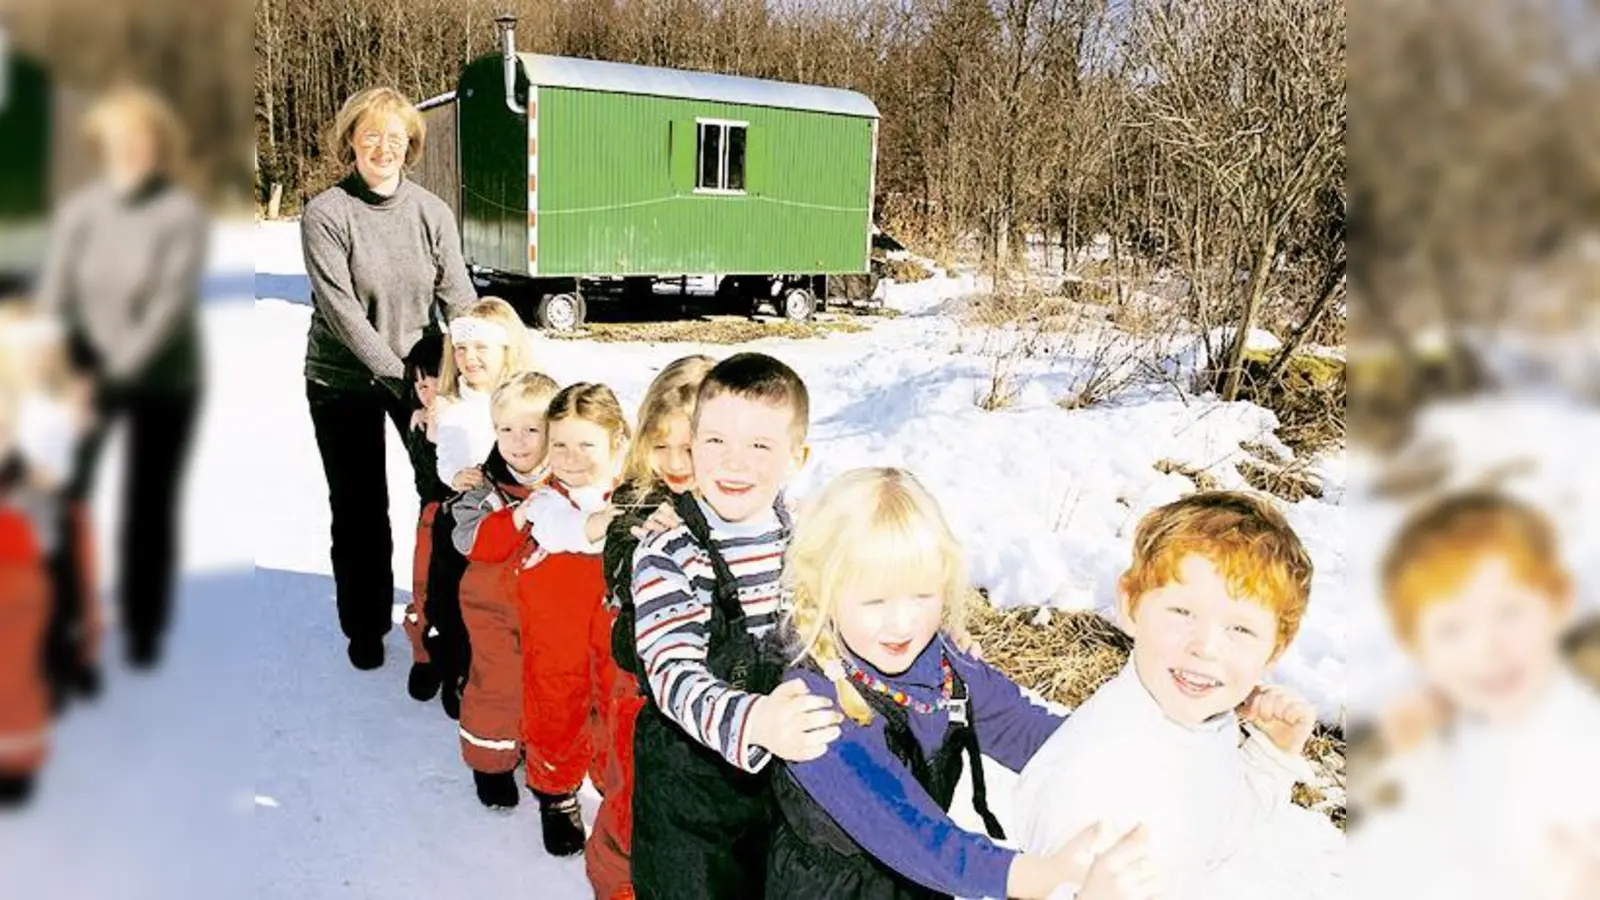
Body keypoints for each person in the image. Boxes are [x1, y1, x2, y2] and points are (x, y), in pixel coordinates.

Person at [766, 466, 1150, 900]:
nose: (902, 622)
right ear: (824, 594)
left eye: (922, 595)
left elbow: (1021, 728)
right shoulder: (813, 706)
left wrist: (1117, 761)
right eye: (874, 600)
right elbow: (905, 827)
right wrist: (1028, 876)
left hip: (920, 881)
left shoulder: (943, 664)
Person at [1013, 491, 1342, 900]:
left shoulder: (1204, 723)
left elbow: (1213, 829)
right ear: (1131, 605)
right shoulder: (1094, 773)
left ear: (1276, 648)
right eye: (1182, 613)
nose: (1205, 647)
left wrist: (1270, 757)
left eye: (1239, 630)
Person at [629, 352, 842, 900]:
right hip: (692, 804)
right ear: (692, 444)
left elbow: (849, 617)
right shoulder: (670, 550)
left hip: (784, 791)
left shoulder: (806, 542)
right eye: (716, 441)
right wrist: (754, 723)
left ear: (798, 456)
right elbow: (670, 671)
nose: (734, 462)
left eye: (760, 446)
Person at [298, 85, 478, 671]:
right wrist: (401, 382)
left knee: (447, 492)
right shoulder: (327, 213)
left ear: (411, 146)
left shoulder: (431, 213)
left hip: (420, 372)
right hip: (342, 377)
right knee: (359, 506)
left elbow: (458, 297)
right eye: (371, 135)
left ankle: (448, 620)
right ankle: (366, 624)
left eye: (395, 138)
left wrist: (482, 360)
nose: (383, 147)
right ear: (351, 140)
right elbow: (344, 314)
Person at [33, 83, 207, 670]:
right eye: (115, 141)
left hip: (163, 375)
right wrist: (54, 369)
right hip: (84, 372)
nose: (127, 150)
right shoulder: (80, 211)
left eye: (139, 139)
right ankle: (63, 621)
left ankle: (143, 623)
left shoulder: (179, 212)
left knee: (147, 501)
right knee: (63, 493)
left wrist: (102, 377)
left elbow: (163, 309)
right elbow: (54, 295)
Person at [1350, 491, 1600, 900]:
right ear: (1417, 650)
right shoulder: (1457, 750)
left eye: (1509, 612)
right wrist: (1418, 764)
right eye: (1452, 630)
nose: (1487, 647)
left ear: (1560, 601)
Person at [588, 354, 715, 900]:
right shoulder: (637, 501)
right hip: (638, 685)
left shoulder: (735, 502)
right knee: (631, 790)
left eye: (688, 448)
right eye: (659, 446)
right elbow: (614, 570)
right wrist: (644, 540)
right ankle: (617, 878)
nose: (674, 462)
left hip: (706, 690)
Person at [451, 371, 557, 808]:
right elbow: (470, 540)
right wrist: (515, 516)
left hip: (549, 610)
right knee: (497, 684)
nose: (519, 441)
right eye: (506, 430)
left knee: (548, 684)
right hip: (492, 606)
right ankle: (489, 759)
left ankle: (540, 750)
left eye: (532, 429)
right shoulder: (483, 487)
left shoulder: (568, 482)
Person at [425, 296, 537, 709]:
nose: (469, 358)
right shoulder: (453, 405)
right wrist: (455, 474)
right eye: (461, 349)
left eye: (481, 348)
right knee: (455, 599)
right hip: (468, 519)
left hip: (520, 514)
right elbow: (448, 455)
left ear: (507, 349)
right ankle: (459, 666)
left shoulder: (529, 397)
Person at [399, 331, 449, 701]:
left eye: (432, 382)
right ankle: (425, 653)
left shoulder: (471, 424)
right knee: (425, 585)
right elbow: (429, 483)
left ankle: (457, 658)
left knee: (458, 594)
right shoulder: (419, 424)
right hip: (431, 521)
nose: (424, 391)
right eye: (418, 384)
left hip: (463, 526)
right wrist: (428, 433)